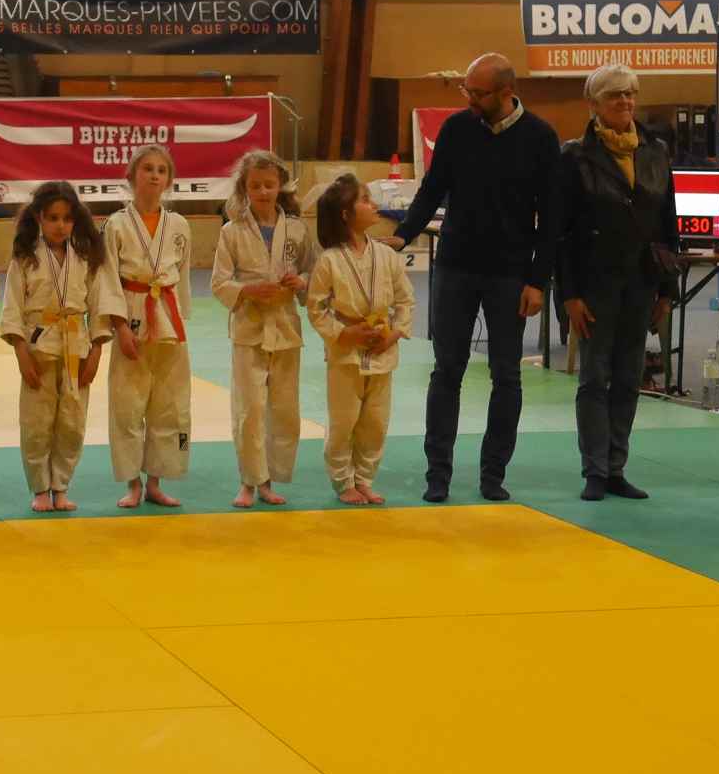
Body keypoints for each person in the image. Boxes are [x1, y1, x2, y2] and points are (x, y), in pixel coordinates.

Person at [383, 53, 559, 503]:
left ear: (506, 92)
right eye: (467, 90)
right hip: (455, 267)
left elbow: (552, 217)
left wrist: (538, 280)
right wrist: (403, 235)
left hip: (510, 274)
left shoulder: (540, 137)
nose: (469, 100)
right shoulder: (457, 129)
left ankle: (493, 474)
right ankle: (437, 473)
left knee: (507, 376)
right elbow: (432, 188)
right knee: (447, 370)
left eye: (477, 93)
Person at [550, 64, 677, 502]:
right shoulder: (573, 156)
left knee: (628, 378)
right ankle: (595, 470)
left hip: (642, 281)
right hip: (594, 284)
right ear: (594, 104)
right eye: (614, 95)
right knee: (593, 378)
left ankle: (616, 467)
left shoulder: (656, 151)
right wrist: (569, 294)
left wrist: (667, 290)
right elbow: (561, 233)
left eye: (629, 94)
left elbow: (667, 226)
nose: (624, 101)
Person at [0, 181, 118, 512]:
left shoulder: (86, 258)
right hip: (39, 347)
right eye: (52, 218)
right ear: (39, 218)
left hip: (77, 346)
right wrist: (20, 352)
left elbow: (99, 306)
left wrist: (97, 350)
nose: (60, 225)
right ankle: (40, 488)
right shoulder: (25, 258)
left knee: (72, 421)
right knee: (36, 422)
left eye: (66, 218)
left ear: (75, 220)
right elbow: (12, 308)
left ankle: (61, 485)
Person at [211, 151, 315, 509]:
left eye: (269, 184)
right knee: (249, 409)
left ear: (280, 185)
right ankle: (248, 481)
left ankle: (269, 480)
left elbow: (314, 272)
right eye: (255, 185)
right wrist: (247, 291)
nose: (263, 191)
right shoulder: (231, 232)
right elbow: (219, 282)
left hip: (285, 327)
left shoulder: (297, 229)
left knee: (284, 409)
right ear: (244, 188)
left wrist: (301, 282)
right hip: (248, 328)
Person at [307, 174, 413, 505]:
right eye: (365, 200)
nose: (374, 204)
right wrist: (344, 333)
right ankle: (343, 482)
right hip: (346, 353)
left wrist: (395, 333)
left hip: (382, 348)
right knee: (344, 422)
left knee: (375, 423)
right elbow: (316, 309)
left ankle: (365, 478)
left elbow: (405, 301)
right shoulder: (329, 260)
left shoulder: (387, 256)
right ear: (346, 214)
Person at [101, 144, 194, 509]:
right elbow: (107, 278)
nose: (155, 175)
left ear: (168, 180)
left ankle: (155, 481)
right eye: (147, 169)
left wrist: (180, 317)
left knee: (169, 405)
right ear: (131, 176)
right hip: (132, 311)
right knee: (127, 405)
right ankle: (132, 484)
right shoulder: (115, 225)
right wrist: (119, 326)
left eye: (161, 170)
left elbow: (182, 275)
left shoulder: (180, 225)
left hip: (169, 319)